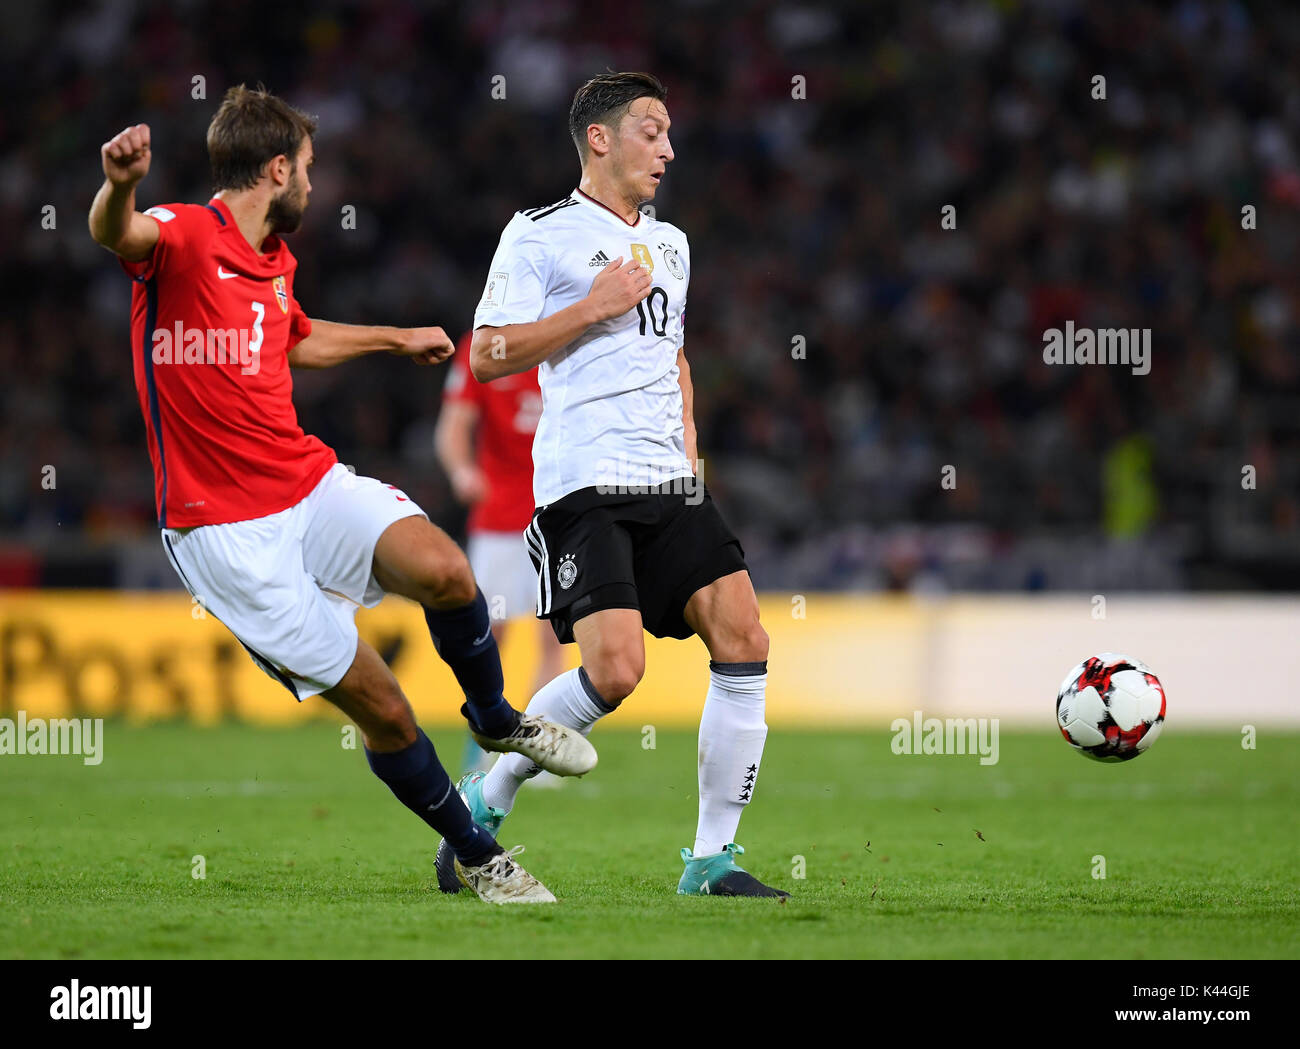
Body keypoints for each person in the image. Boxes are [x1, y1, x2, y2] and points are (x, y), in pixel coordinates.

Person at [88, 85, 597, 904]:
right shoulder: (184, 236)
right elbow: (119, 231)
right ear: (278, 167)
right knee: (386, 710)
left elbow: (294, 336)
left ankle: (496, 715)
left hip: (302, 479)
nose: (316, 188)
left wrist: (395, 339)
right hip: (226, 534)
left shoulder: (274, 261)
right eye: (311, 170)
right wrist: (118, 184)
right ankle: (476, 853)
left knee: (445, 569)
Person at [437, 72, 786, 897]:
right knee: (617, 670)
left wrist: (692, 450)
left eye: (669, 135)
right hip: (583, 482)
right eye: (652, 131)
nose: (668, 149)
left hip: (669, 478)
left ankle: (710, 861)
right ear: (600, 138)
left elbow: (675, 359)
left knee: (746, 636)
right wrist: (590, 309)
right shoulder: (539, 234)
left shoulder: (672, 244)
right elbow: (488, 355)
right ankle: (484, 799)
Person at [435, 333, 567, 779]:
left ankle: (540, 754)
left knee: (555, 638)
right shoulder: (484, 347)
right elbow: (454, 423)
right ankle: (483, 741)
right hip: (497, 521)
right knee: (490, 637)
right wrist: (461, 471)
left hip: (558, 516)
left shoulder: (566, 338)